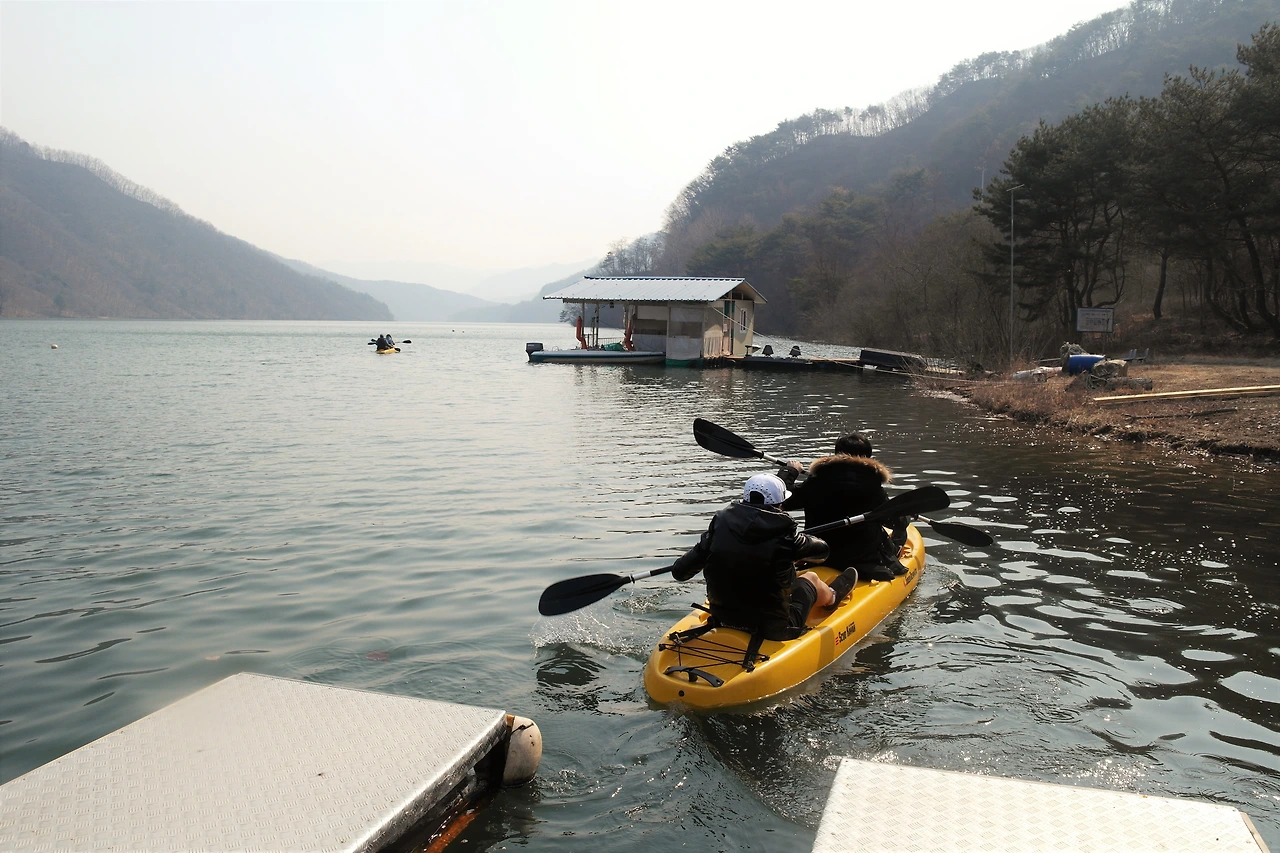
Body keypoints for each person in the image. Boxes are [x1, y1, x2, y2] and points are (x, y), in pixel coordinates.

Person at [671, 473, 834, 640]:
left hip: (723, 619)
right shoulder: (785, 536)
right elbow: (823, 552)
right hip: (772, 630)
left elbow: (679, 572)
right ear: (780, 503)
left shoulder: (719, 526)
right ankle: (832, 598)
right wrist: (796, 547)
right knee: (811, 578)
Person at [779, 433, 909, 597]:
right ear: (868, 457)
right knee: (902, 531)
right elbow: (897, 523)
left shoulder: (816, 482)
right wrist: (906, 512)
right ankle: (894, 551)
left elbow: (780, 500)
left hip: (819, 555)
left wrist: (789, 471)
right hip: (862, 562)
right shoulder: (873, 486)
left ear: (836, 454)